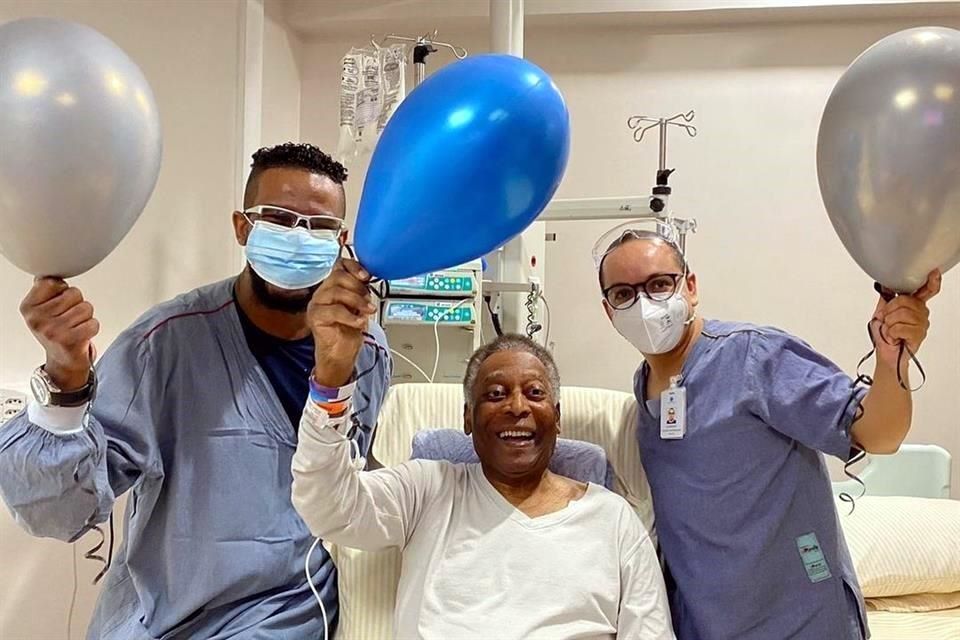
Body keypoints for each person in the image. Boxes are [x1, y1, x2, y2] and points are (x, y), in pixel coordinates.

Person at [0, 143, 391, 639]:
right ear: (242, 228)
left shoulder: (367, 351)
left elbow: (352, 484)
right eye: (278, 218)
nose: (298, 237)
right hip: (166, 617)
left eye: (318, 227)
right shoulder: (165, 345)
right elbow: (57, 512)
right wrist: (65, 375)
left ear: (341, 241)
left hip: (288, 615)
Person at [595, 227, 940, 640]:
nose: (643, 304)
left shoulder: (754, 356)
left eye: (658, 284)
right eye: (624, 294)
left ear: (690, 286)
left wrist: (891, 360)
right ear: (609, 311)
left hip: (800, 621)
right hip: (704, 623)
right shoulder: (643, 387)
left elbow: (879, 435)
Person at [291, 334, 676, 640]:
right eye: (495, 394)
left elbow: (650, 632)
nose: (517, 407)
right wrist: (330, 384)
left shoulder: (612, 519)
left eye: (535, 393)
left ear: (556, 417)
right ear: (468, 418)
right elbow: (330, 508)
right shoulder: (427, 489)